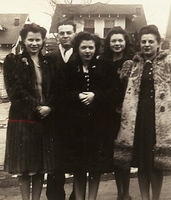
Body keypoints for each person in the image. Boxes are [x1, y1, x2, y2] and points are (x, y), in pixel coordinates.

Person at [115, 25, 171, 200]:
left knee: (157, 163)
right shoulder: (133, 64)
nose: (147, 45)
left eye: (151, 41)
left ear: (158, 43)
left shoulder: (168, 63)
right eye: (143, 41)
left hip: (160, 120)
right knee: (142, 163)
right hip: (138, 120)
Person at [3, 23, 56, 200]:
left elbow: (55, 89)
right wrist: (36, 107)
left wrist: (49, 107)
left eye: (37, 39)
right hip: (23, 119)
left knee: (40, 167)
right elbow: (14, 91)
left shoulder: (48, 62)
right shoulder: (13, 60)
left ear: (43, 40)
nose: (34, 43)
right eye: (30, 39)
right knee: (24, 168)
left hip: (45, 118)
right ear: (24, 40)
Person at [63, 31, 115, 200]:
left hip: (98, 126)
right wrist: (77, 96)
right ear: (77, 48)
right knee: (78, 167)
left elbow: (114, 91)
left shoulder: (105, 66)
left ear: (96, 48)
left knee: (95, 167)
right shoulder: (69, 67)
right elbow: (60, 93)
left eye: (91, 47)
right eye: (83, 47)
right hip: (76, 127)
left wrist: (95, 96)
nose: (87, 51)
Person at [100, 26, 134, 200]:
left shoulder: (132, 61)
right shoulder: (103, 61)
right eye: (113, 40)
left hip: (126, 114)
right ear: (109, 43)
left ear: (125, 42)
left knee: (124, 156)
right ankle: (119, 191)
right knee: (113, 156)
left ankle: (124, 194)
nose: (117, 43)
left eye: (120, 40)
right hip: (107, 115)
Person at [45, 19, 76, 200]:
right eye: (62, 33)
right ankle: (55, 196)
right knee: (55, 161)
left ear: (74, 33)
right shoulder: (50, 57)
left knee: (76, 159)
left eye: (68, 32)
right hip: (55, 117)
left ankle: (77, 196)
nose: (65, 36)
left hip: (77, 117)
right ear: (58, 35)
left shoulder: (82, 55)